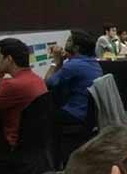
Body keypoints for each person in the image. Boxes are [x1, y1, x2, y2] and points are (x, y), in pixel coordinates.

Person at [0, 38, 47, 148]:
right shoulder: (36, 78)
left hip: (14, 144)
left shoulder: (12, 85)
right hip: (35, 140)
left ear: (9, 59)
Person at [44, 30, 103, 161]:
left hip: (75, 113)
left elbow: (47, 83)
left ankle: (54, 159)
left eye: (69, 40)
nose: (66, 42)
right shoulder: (92, 62)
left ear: (76, 47)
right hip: (88, 115)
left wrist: (56, 61)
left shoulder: (73, 65)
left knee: (43, 115)